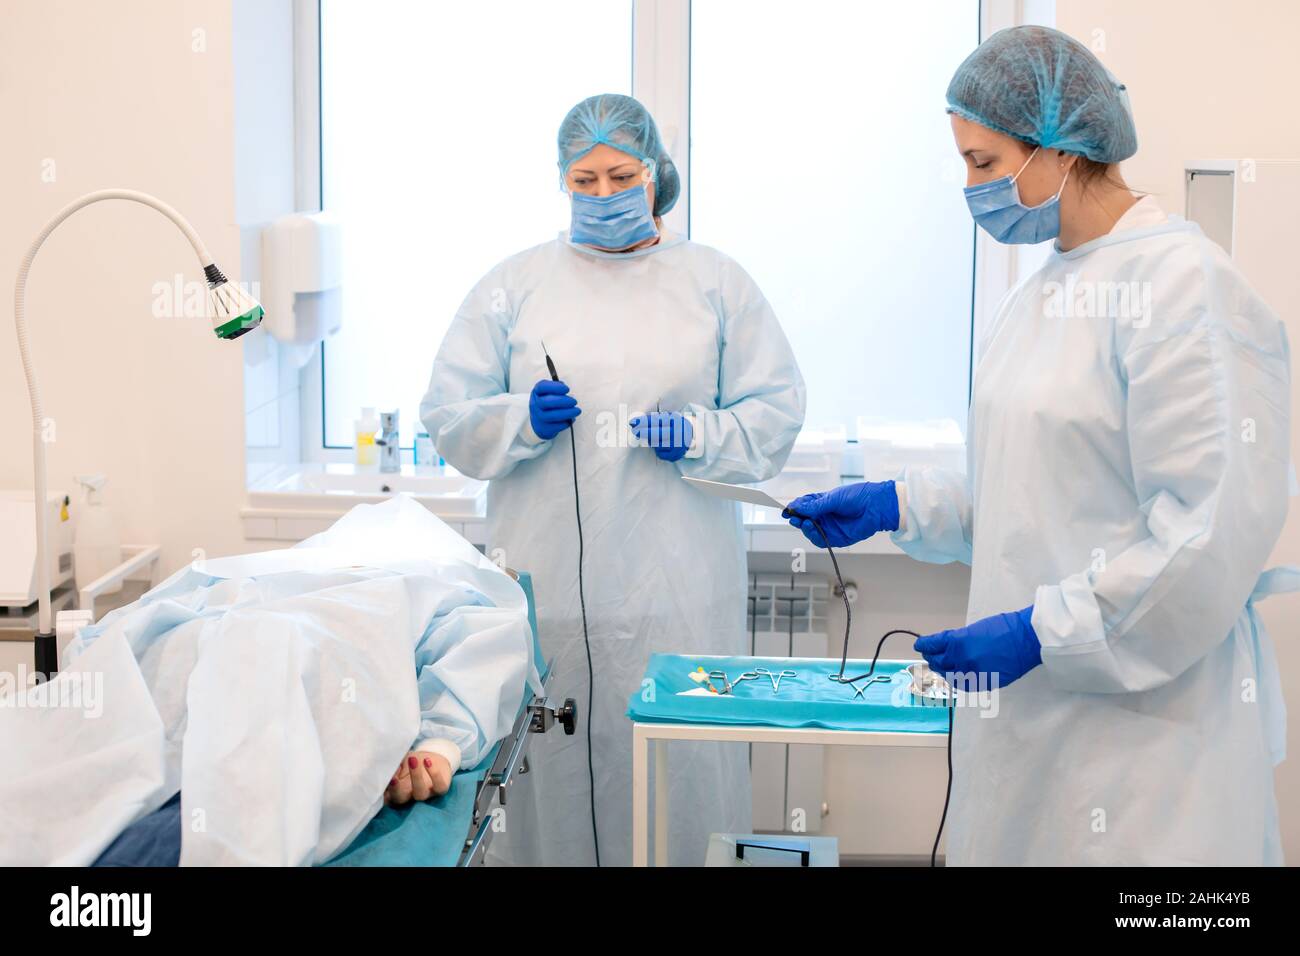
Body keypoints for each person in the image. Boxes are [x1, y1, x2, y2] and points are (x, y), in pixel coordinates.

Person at [788, 25, 1293, 865]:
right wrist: (896, 503)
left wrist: (1043, 631)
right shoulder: (1045, 288)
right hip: (1036, 736)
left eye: (984, 163)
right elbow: (1028, 486)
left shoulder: (1183, 289)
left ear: (1060, 148)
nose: (970, 187)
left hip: (1148, 748)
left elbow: (1204, 538)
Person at [421, 93, 806, 865]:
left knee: (680, 778)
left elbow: (776, 414)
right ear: (561, 181)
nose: (601, 194)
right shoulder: (516, 286)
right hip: (550, 594)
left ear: (656, 172)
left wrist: (700, 432)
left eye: (620, 175)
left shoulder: (715, 283)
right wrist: (520, 419)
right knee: (546, 782)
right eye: (583, 179)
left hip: (678, 597)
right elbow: (447, 417)